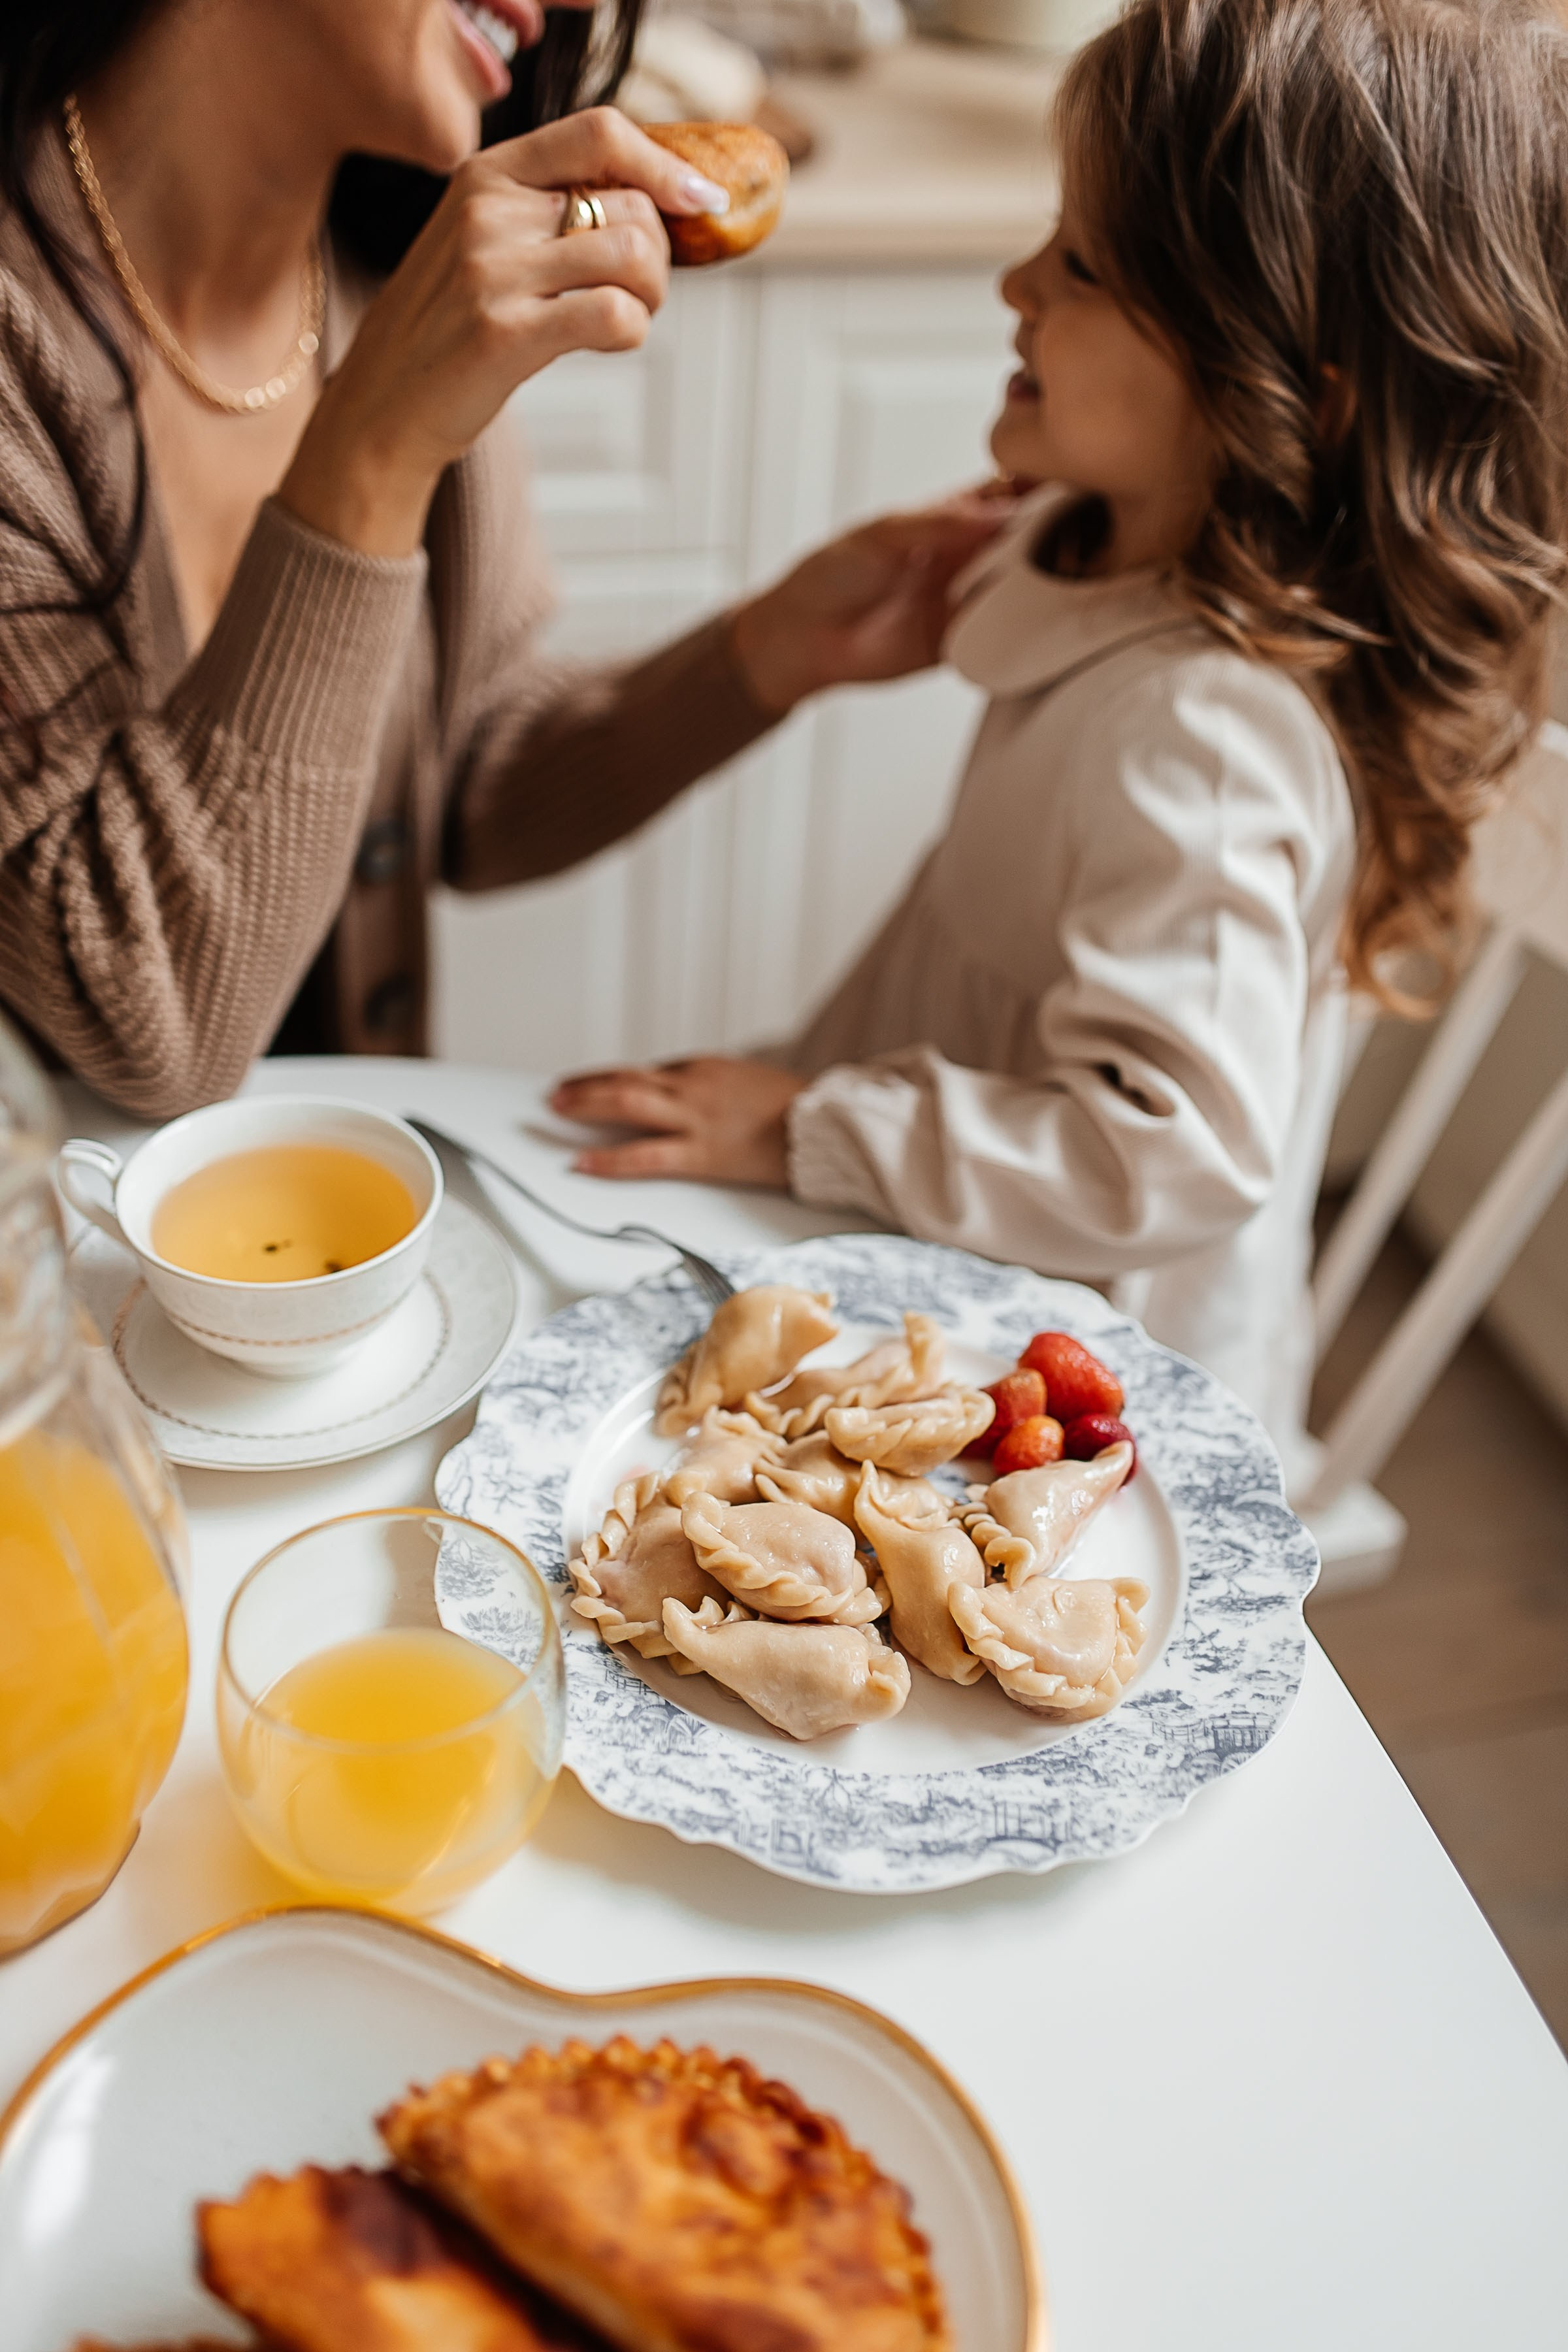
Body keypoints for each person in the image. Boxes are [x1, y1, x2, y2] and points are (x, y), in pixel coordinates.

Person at [551, 0, 1568, 1475]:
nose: (1018, 282)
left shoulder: (1201, 730)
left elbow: (1167, 1150)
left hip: (1062, 1405)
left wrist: (803, 1126)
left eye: (1083, 266)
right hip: (954, 1257)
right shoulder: (1116, 559)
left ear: (1287, 396)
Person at [0, 0, 1000, 1115]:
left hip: (317, 1208)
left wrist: (764, 651)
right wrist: (376, 448)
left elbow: (455, 772)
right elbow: (156, 1029)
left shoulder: (386, 273)